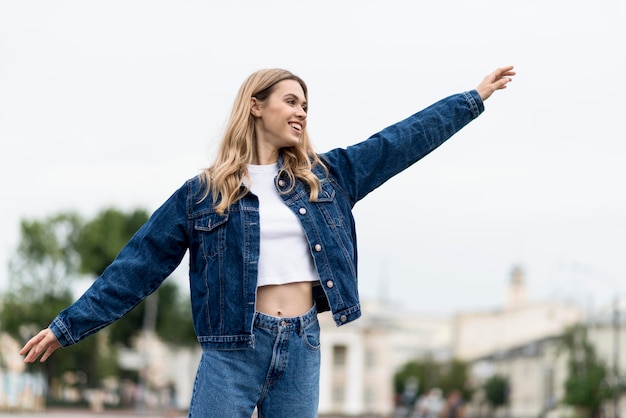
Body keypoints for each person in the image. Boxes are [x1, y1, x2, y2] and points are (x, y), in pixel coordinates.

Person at [20, 65, 515, 417]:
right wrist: (67, 327)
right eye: (291, 101)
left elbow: (401, 140)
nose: (302, 113)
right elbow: (137, 266)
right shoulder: (204, 194)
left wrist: (471, 99)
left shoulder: (330, 177)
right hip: (232, 347)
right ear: (256, 106)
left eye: (306, 106)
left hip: (301, 343)